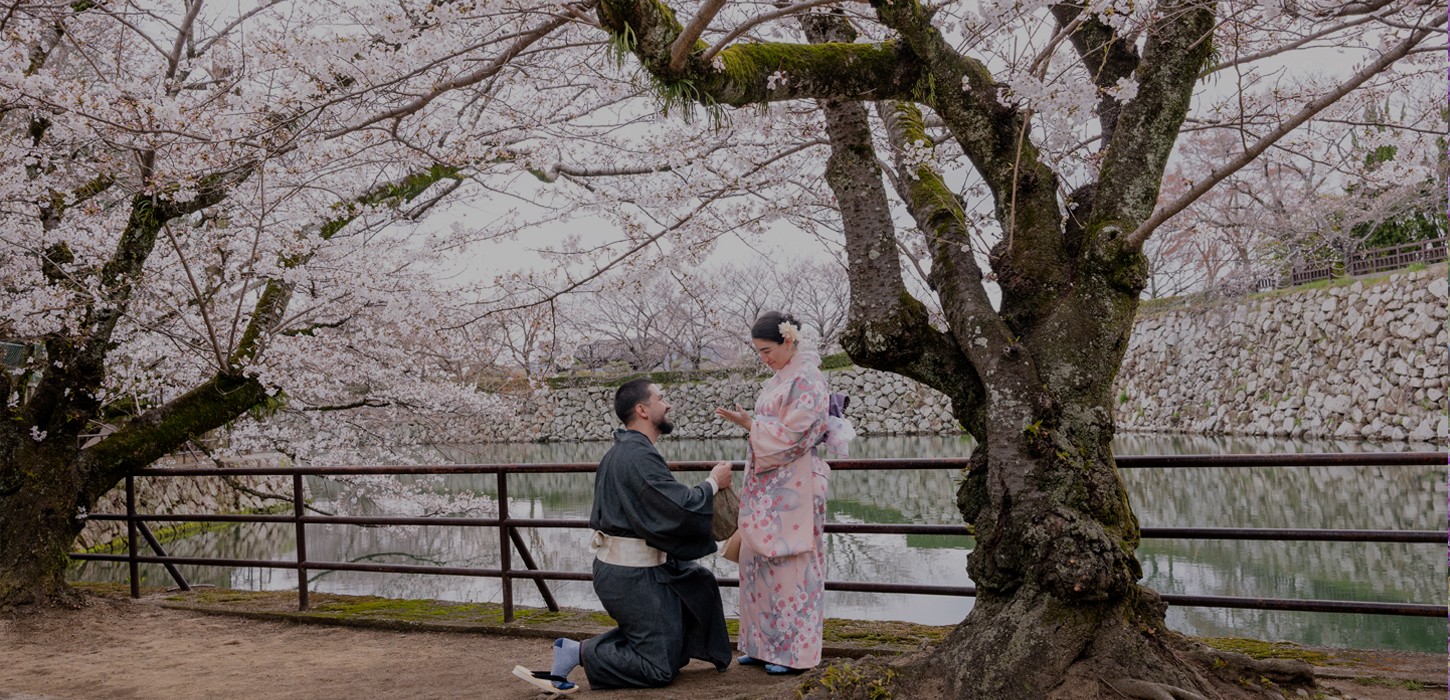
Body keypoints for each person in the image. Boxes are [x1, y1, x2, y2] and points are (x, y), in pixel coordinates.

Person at [513, 378, 734, 694]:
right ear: (642, 410)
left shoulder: (628, 452)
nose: (668, 404)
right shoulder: (635, 455)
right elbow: (678, 507)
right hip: (630, 576)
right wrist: (713, 483)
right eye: (661, 398)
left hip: (635, 570)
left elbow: (661, 508)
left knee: (693, 596)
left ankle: (579, 650)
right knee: (659, 668)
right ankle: (577, 652)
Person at [714, 311, 831, 675]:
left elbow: (798, 435)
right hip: (770, 485)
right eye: (759, 352)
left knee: (793, 568)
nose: (764, 358)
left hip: (796, 483)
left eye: (767, 350)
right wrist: (752, 426)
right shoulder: (781, 378)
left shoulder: (808, 378)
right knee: (756, 564)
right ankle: (761, 645)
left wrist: (752, 424)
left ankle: (793, 654)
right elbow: (775, 431)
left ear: (788, 340)